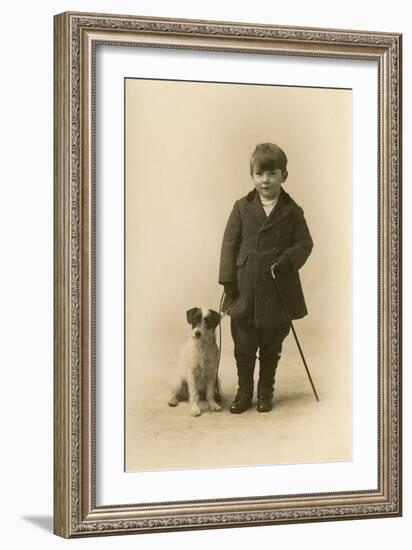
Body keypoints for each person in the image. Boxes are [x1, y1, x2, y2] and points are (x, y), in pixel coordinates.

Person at [219, 143, 313, 413]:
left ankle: (265, 392)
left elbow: (305, 243)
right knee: (244, 346)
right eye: (259, 174)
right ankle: (244, 392)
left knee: (271, 346)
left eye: (272, 173)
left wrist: (286, 260)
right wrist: (228, 281)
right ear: (252, 176)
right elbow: (228, 245)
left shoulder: (293, 211)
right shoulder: (241, 207)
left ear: (284, 175)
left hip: (277, 290)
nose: (265, 180)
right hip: (245, 289)